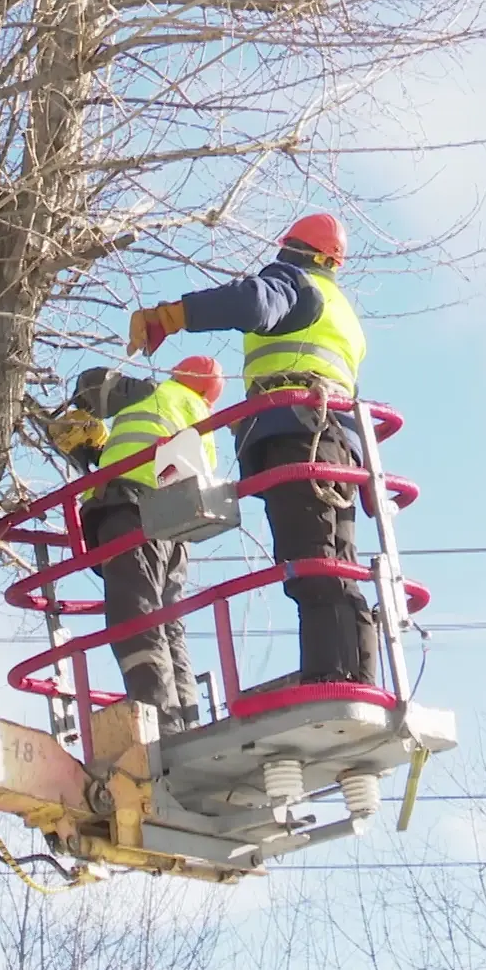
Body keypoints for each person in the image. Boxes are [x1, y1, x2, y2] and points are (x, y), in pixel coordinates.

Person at [124, 213, 377, 687]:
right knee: (336, 562)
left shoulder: (297, 283)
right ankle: (357, 676)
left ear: (303, 253)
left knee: (310, 563)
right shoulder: (342, 311)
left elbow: (257, 303)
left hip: (298, 433)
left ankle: (327, 679)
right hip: (336, 442)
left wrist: (172, 316)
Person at [47, 356, 225, 733]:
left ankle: (155, 718)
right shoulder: (203, 425)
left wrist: (81, 395)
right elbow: (151, 455)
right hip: (175, 530)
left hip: (132, 511)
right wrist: (98, 453)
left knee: (135, 614)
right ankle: (184, 721)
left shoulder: (158, 393)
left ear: (180, 376)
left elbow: (98, 384)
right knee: (168, 623)